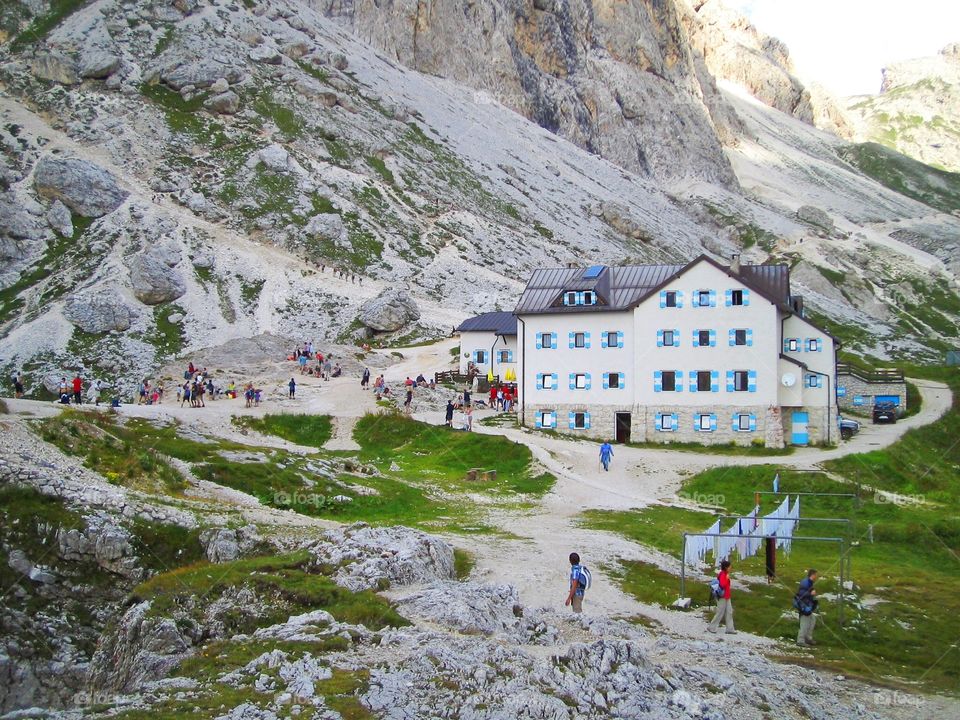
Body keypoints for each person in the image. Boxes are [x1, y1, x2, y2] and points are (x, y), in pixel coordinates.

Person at [707, 559, 736, 635]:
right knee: (720, 612)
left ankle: (730, 629)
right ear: (726, 567)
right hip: (722, 596)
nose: (731, 568)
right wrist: (727, 579)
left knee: (729, 612)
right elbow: (722, 585)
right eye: (730, 567)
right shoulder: (723, 574)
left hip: (727, 596)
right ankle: (711, 627)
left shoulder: (724, 574)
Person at [795, 569, 819, 646]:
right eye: (816, 575)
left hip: (808, 605)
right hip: (804, 606)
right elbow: (801, 594)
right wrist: (810, 594)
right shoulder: (806, 582)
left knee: (812, 620)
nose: (816, 576)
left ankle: (808, 638)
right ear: (813, 575)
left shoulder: (809, 582)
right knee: (804, 622)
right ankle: (800, 640)